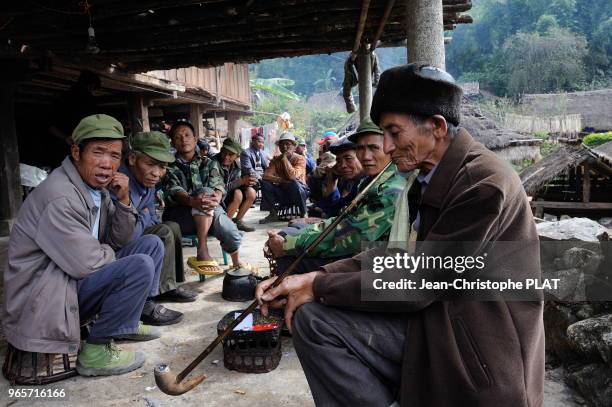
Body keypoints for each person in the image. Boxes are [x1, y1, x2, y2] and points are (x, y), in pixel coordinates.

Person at [256, 63, 544, 407]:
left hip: (480, 351)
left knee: (317, 321)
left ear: (436, 127)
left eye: (394, 133)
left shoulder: (479, 184)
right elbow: (399, 256)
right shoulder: (427, 177)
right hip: (441, 319)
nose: (387, 147)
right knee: (314, 320)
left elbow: (421, 281)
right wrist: (318, 276)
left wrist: (318, 287)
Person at [4, 114, 166, 377]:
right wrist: (107, 252)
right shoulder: (60, 196)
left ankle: (127, 321)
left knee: (150, 245)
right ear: (76, 152)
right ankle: (95, 351)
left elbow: (121, 240)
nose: (107, 164)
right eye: (98, 152)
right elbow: (87, 263)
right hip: (47, 295)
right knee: (139, 265)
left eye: (115, 155)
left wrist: (124, 200)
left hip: (70, 280)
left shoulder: (97, 189)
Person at [266, 118, 405, 275]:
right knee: (290, 232)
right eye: (360, 148)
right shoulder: (370, 181)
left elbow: (351, 235)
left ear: (390, 148)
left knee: (290, 257)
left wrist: (288, 245)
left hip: (373, 264)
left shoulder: (390, 188)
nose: (365, 156)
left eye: (374, 148)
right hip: (356, 249)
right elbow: (341, 216)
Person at [118, 131, 198, 304]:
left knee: (172, 227)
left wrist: (144, 216)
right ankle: (151, 295)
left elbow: (152, 217)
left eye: (162, 167)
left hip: (136, 231)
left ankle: (168, 285)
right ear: (132, 159)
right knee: (163, 232)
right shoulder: (120, 182)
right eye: (151, 164)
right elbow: (125, 235)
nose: (157, 173)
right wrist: (144, 215)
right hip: (117, 247)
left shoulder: (147, 180)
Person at [161, 121, 247, 275]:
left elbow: (218, 184)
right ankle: (202, 249)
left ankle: (235, 263)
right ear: (173, 142)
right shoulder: (168, 167)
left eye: (187, 135)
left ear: (195, 139)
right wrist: (193, 201)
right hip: (181, 216)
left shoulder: (209, 163)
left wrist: (217, 195)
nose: (183, 139)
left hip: (210, 209)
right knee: (203, 191)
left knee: (232, 235)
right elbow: (174, 190)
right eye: (178, 137)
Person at [46, 70, 101, 167]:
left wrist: (65, 137)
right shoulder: (89, 101)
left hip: (60, 147)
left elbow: (50, 126)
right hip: (79, 147)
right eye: (94, 90)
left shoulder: (61, 98)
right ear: (91, 86)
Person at [259, 132, 310, 223]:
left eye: (288, 144)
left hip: (299, 192)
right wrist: (281, 180)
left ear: (294, 147)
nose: (284, 147)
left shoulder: (300, 159)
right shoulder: (276, 160)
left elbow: (292, 176)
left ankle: (304, 213)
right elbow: (265, 176)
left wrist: (284, 159)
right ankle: (273, 213)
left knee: (293, 183)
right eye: (282, 144)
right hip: (283, 192)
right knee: (265, 183)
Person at [213, 138, 257, 232]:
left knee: (251, 192)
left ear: (237, 156)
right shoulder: (213, 163)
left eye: (230, 154)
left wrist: (248, 182)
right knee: (238, 194)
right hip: (216, 199)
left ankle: (238, 221)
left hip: (228, 196)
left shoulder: (237, 165)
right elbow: (218, 188)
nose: (226, 157)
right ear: (221, 150)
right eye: (224, 152)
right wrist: (241, 181)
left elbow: (239, 182)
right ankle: (224, 226)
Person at [315, 137, 366, 218]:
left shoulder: (368, 183)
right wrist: (332, 178)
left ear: (362, 156)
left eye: (348, 158)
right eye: (338, 161)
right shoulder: (359, 182)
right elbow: (337, 207)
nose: (342, 165)